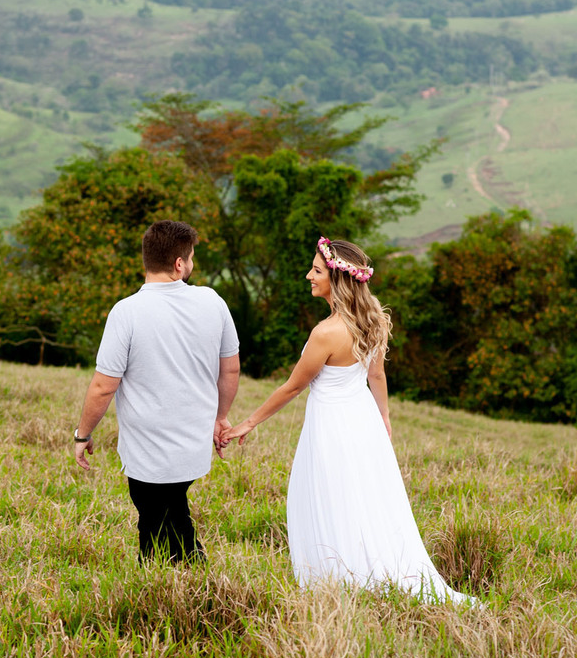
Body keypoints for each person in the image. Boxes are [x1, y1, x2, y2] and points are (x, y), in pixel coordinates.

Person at [224, 237, 474, 603]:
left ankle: (340, 578)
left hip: (332, 428)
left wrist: (248, 423)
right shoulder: (373, 321)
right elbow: (377, 375)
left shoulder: (326, 332)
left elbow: (293, 387)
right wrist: (384, 417)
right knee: (365, 498)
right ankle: (366, 573)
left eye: (316, 270)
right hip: (364, 421)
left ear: (337, 279)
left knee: (331, 498)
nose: (309, 275)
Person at [74, 220, 240, 564]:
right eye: (191, 258)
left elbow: (104, 386)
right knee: (167, 507)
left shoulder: (126, 312)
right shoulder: (212, 302)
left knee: (154, 515)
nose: (191, 264)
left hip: (146, 447)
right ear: (179, 264)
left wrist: (83, 434)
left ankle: (170, 569)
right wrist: (220, 417)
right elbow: (231, 369)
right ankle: (180, 569)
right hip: (193, 441)